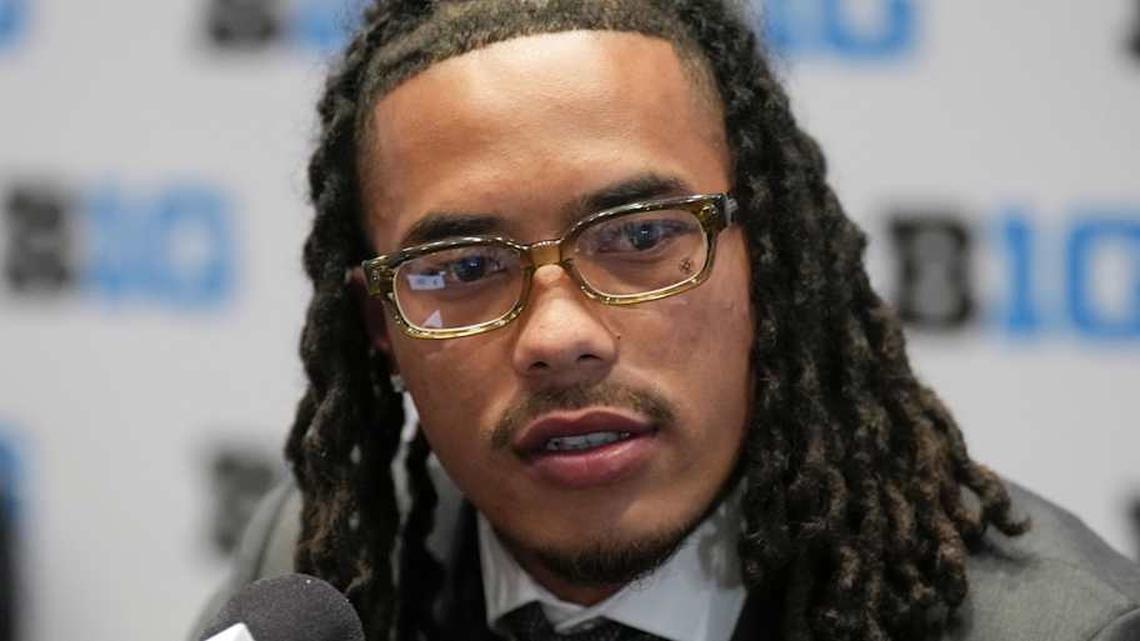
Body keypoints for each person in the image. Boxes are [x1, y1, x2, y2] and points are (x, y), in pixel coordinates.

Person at [197, 1, 1140, 640]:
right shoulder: (321, 571)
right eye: (466, 268)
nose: (559, 337)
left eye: (642, 235)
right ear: (381, 325)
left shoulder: (1063, 629)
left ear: (765, 254)